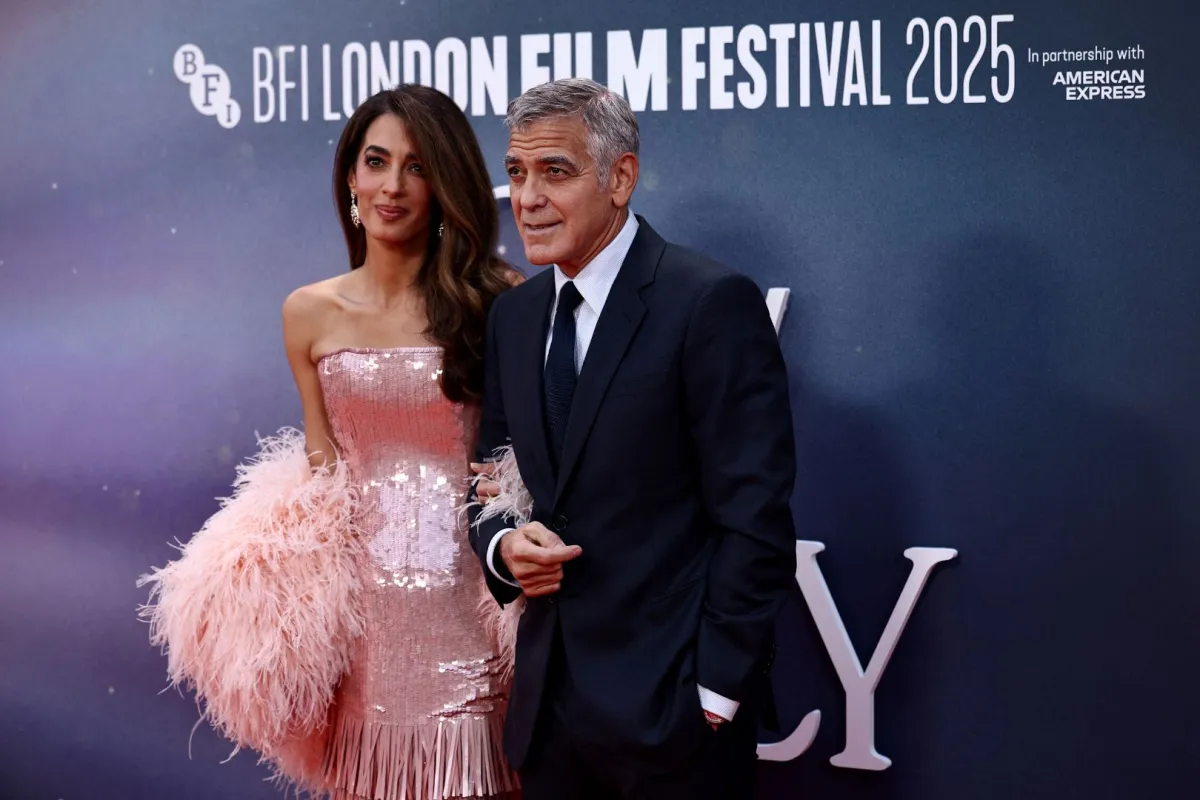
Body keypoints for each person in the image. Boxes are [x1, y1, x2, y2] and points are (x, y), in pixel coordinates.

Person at [140, 85, 520, 800]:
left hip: (472, 624)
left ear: (446, 184)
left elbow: (512, 472)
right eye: (376, 161)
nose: (393, 186)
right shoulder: (309, 312)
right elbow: (323, 476)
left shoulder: (498, 301)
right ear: (350, 175)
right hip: (363, 640)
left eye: (418, 166)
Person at [466, 78, 798, 799]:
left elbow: (756, 521)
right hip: (548, 725)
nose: (526, 198)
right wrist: (502, 546)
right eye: (517, 173)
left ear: (621, 178)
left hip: (674, 724)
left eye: (555, 171)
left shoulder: (706, 303)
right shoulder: (515, 318)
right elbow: (489, 477)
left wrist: (714, 694)